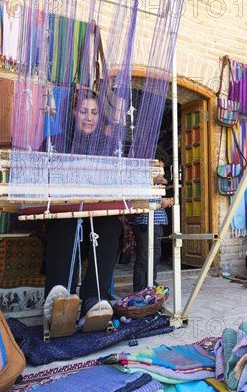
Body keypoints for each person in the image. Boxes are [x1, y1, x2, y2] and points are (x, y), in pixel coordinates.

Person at [41, 89, 121, 333]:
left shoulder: (108, 146)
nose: (89, 117)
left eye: (94, 112)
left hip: (96, 217)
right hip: (66, 214)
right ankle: (59, 299)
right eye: (83, 111)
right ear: (73, 113)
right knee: (64, 220)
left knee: (111, 224)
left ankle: (94, 300)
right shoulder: (55, 143)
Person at [131, 163, 173, 292]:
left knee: (155, 255)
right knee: (144, 257)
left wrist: (165, 201)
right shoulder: (139, 182)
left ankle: (151, 283)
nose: (160, 173)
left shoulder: (158, 186)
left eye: (161, 169)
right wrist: (161, 202)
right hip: (145, 223)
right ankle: (140, 288)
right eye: (157, 169)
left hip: (157, 223)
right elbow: (138, 202)